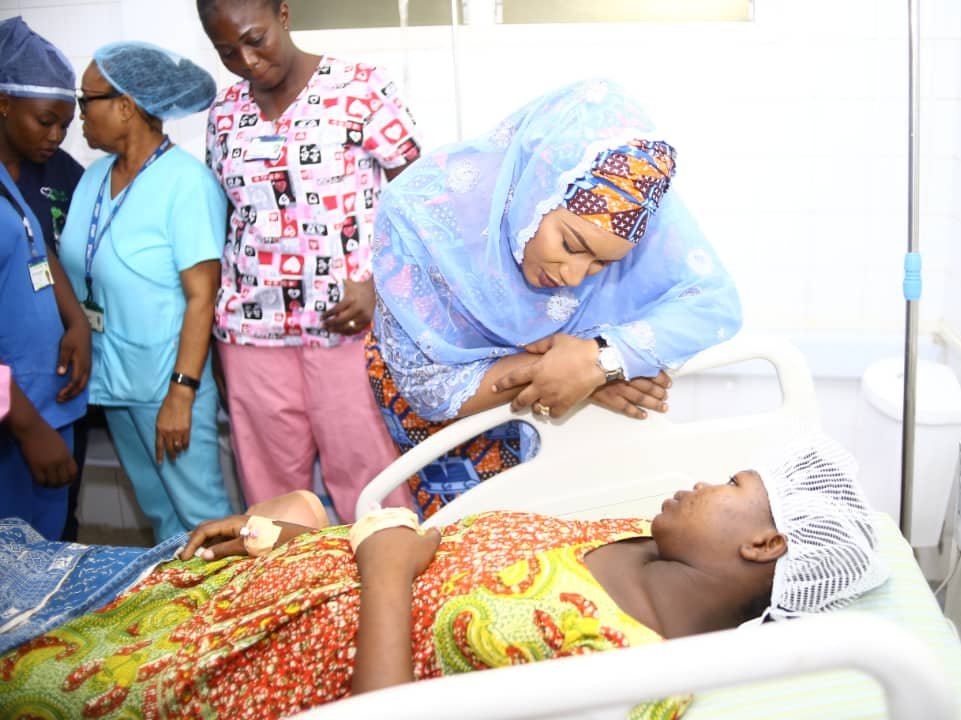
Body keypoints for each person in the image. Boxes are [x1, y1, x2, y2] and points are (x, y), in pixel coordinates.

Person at [0, 438, 889, 718]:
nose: (702, 480)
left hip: (205, 673)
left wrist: (381, 570)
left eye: (733, 487)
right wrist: (306, 523)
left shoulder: (616, 667)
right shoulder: (634, 536)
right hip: (227, 584)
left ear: (766, 549)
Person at [367, 79, 742, 517]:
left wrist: (601, 359)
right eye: (570, 244)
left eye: (601, 264)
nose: (574, 275)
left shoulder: (628, 206)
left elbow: (713, 302)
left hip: (567, 413)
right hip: (447, 417)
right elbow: (429, 388)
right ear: (535, 188)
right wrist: (575, 376)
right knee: (468, 547)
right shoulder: (419, 216)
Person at [197, 0, 422, 522]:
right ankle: (293, 598)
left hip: (347, 326)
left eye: (255, 39)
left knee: (371, 482)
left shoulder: (361, 88)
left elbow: (415, 201)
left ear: (283, 13)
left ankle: (389, 591)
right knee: (271, 500)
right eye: (227, 51)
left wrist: (375, 280)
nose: (247, 61)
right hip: (252, 331)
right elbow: (231, 219)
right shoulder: (224, 114)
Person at [57, 42, 231, 542]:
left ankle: (229, 615)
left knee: (205, 521)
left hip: (166, 386)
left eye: (87, 101)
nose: (79, 114)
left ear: (126, 107)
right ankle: (176, 616)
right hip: (114, 381)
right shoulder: (92, 179)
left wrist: (181, 391)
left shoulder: (187, 183)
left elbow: (203, 296)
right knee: (161, 518)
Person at [1, 17, 94, 543]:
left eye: (65, 124)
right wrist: (28, 424)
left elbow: (38, 248)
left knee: (41, 555)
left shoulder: (13, 180)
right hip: (18, 416)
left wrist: (75, 321)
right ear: (3, 104)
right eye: (45, 122)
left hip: (45, 398)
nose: (57, 137)